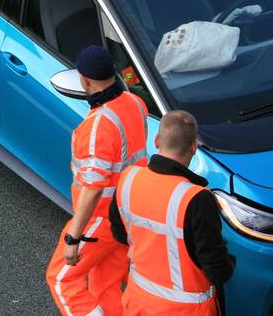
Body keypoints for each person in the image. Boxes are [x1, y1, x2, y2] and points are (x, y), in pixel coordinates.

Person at [46, 46, 149, 316]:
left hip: (99, 220)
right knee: (106, 287)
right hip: (127, 213)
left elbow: (93, 188)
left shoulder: (97, 126)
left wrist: (73, 236)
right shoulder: (136, 105)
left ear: (85, 81)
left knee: (61, 279)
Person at [110, 110, 235, 315]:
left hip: (139, 302)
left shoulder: (128, 179)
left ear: (157, 140)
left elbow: (119, 233)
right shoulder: (196, 199)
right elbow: (217, 270)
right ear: (194, 147)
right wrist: (230, 263)